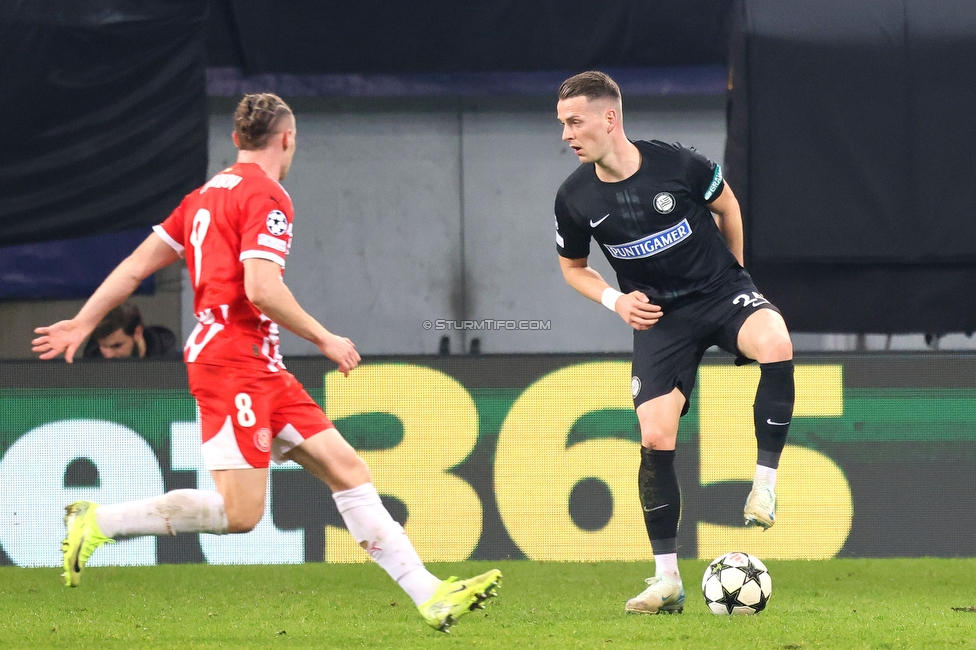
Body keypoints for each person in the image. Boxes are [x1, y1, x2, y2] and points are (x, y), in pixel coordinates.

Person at [32, 92, 500, 633]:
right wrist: (325, 337)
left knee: (348, 470)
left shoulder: (204, 196)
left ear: (235, 140)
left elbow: (137, 266)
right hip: (231, 364)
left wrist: (84, 321)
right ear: (288, 138)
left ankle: (431, 595)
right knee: (241, 515)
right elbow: (260, 287)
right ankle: (99, 521)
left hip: (259, 364)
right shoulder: (268, 197)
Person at [553, 72, 794, 614]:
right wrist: (617, 302)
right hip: (660, 318)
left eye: (575, 121)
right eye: (563, 123)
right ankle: (668, 583)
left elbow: (727, 208)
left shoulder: (679, 164)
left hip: (720, 293)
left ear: (609, 118)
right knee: (655, 434)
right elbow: (573, 268)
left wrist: (739, 280)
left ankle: (765, 486)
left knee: (775, 339)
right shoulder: (574, 198)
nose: (566, 134)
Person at [82, 303, 180, 359]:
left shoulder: (174, 363)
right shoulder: (92, 361)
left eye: (117, 346)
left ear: (138, 332)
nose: (109, 355)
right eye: (103, 346)